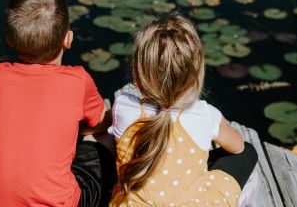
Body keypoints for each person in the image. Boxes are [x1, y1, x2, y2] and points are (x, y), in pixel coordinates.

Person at [0, 0, 115, 207]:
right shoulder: (78, 80)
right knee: (103, 135)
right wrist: (73, 129)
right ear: (68, 39)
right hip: (62, 204)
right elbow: (102, 123)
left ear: (9, 40)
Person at [109, 14, 258, 207]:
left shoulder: (123, 106)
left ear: (140, 71)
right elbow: (238, 147)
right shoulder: (206, 115)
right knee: (249, 152)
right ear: (196, 74)